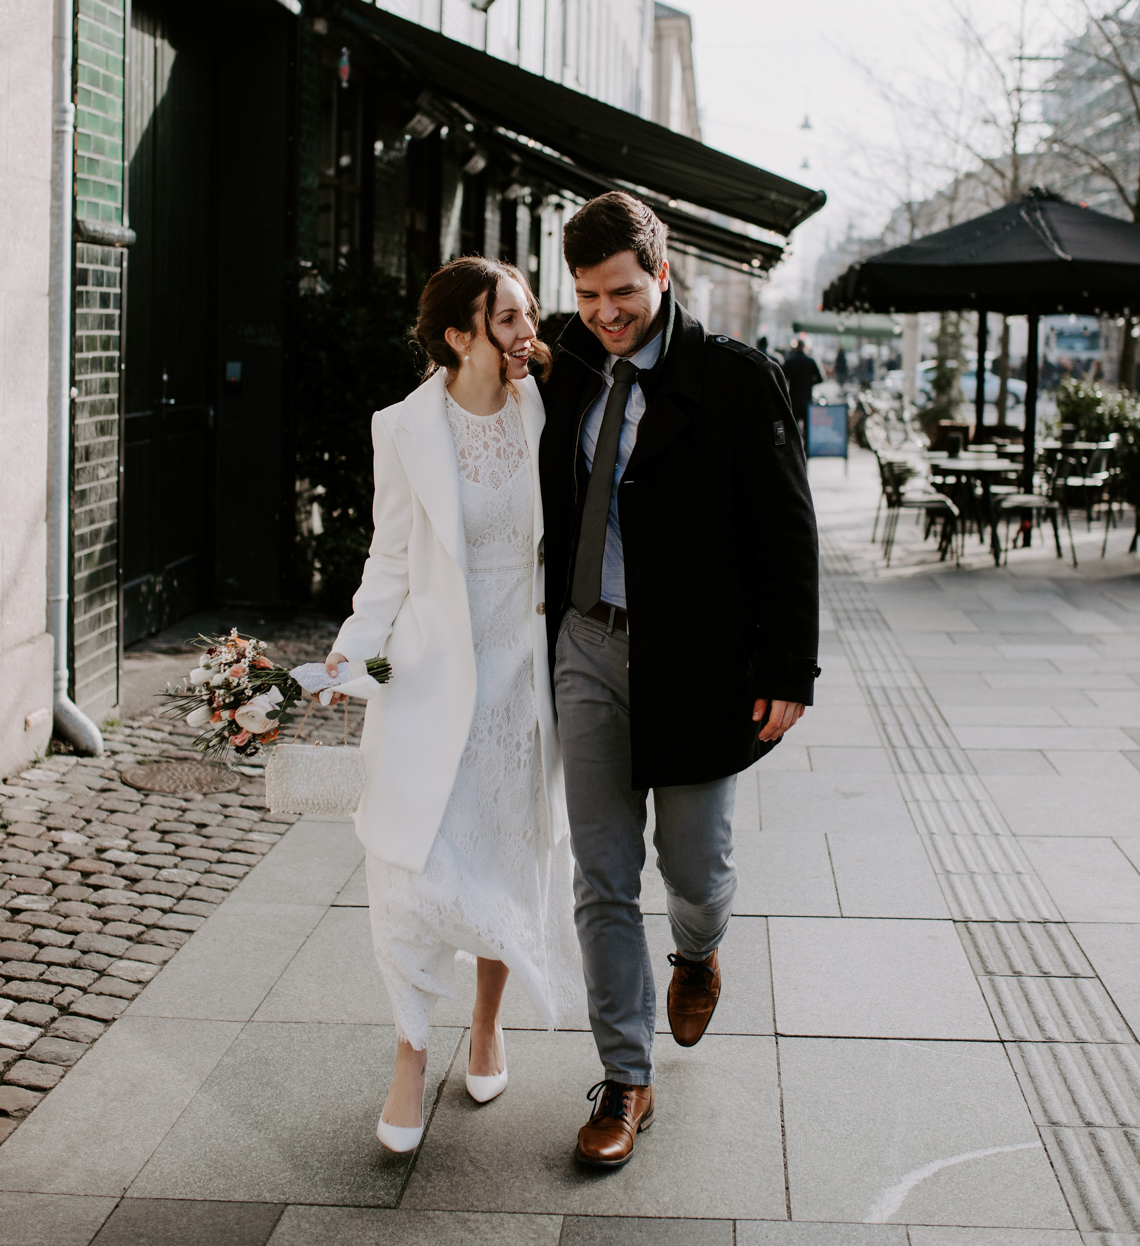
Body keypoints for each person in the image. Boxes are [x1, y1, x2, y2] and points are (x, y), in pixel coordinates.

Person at [538, 192, 821, 1169]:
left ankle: (697, 953)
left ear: (662, 275)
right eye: (585, 295)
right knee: (601, 876)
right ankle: (626, 1078)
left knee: (694, 872)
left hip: (700, 659)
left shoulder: (737, 380)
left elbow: (789, 530)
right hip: (587, 643)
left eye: (622, 292)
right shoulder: (567, 355)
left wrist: (789, 666)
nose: (605, 314)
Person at [320, 258, 580, 1154]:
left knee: (511, 855)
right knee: (411, 870)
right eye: (507, 318)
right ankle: (408, 1053)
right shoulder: (404, 429)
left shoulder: (547, 407)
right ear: (458, 334)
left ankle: (487, 1024)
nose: (527, 332)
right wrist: (349, 654)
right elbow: (390, 559)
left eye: (529, 313)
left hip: (525, 673)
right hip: (439, 677)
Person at [782, 337, 823, 438]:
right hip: (807, 398)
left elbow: (782, 378)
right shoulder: (811, 361)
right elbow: (821, 378)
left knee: (793, 428)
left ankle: (796, 451)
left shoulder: (790, 362)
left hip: (794, 399)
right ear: (805, 347)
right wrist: (809, 383)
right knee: (807, 427)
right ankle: (807, 451)